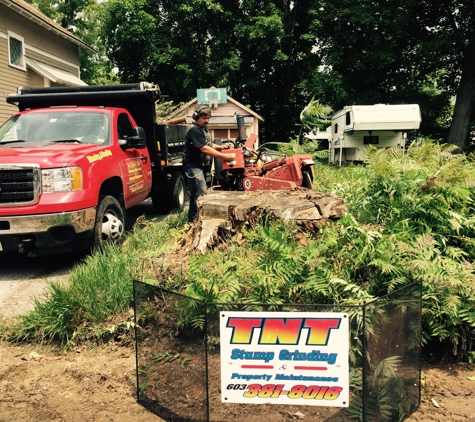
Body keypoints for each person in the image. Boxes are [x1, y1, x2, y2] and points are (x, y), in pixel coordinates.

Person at [183, 106, 235, 222]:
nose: (206, 120)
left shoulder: (203, 129)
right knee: (199, 191)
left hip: (200, 165)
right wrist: (224, 156)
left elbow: (208, 144)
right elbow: (204, 148)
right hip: (192, 166)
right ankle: (194, 219)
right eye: (203, 118)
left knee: (199, 191)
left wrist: (220, 147)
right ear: (196, 117)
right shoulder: (194, 130)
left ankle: (195, 217)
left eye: (208, 118)